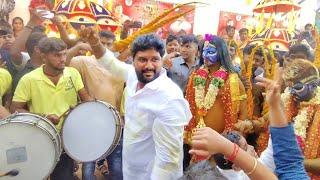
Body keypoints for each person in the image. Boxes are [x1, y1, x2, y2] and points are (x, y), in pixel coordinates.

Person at [83, 28, 192, 179]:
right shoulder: (134, 77)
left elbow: (169, 160)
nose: (149, 66)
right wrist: (95, 42)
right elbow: (110, 63)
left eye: (154, 59)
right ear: (132, 61)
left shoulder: (169, 97)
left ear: (162, 60)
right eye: (142, 59)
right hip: (131, 171)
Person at [10, 37, 92, 180]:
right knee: (37, 175)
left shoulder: (72, 73)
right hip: (40, 137)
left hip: (66, 139)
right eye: (57, 55)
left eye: (64, 54)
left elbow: (86, 99)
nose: (62, 59)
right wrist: (43, 117)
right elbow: (15, 109)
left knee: (63, 176)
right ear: (43, 56)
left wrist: (84, 108)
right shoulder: (29, 79)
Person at [184, 34, 248, 169]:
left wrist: (235, 139)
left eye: (211, 51)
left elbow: (242, 115)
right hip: (198, 140)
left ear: (221, 53)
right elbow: (189, 106)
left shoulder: (233, 81)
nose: (206, 55)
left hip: (223, 144)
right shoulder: (196, 76)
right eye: (203, 52)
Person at [67, 31, 125, 180]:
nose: (104, 47)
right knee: (88, 171)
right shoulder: (83, 61)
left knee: (117, 169)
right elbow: (64, 62)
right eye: (101, 43)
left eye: (108, 44)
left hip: (115, 123)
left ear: (114, 46)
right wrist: (79, 45)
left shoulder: (120, 66)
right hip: (90, 123)